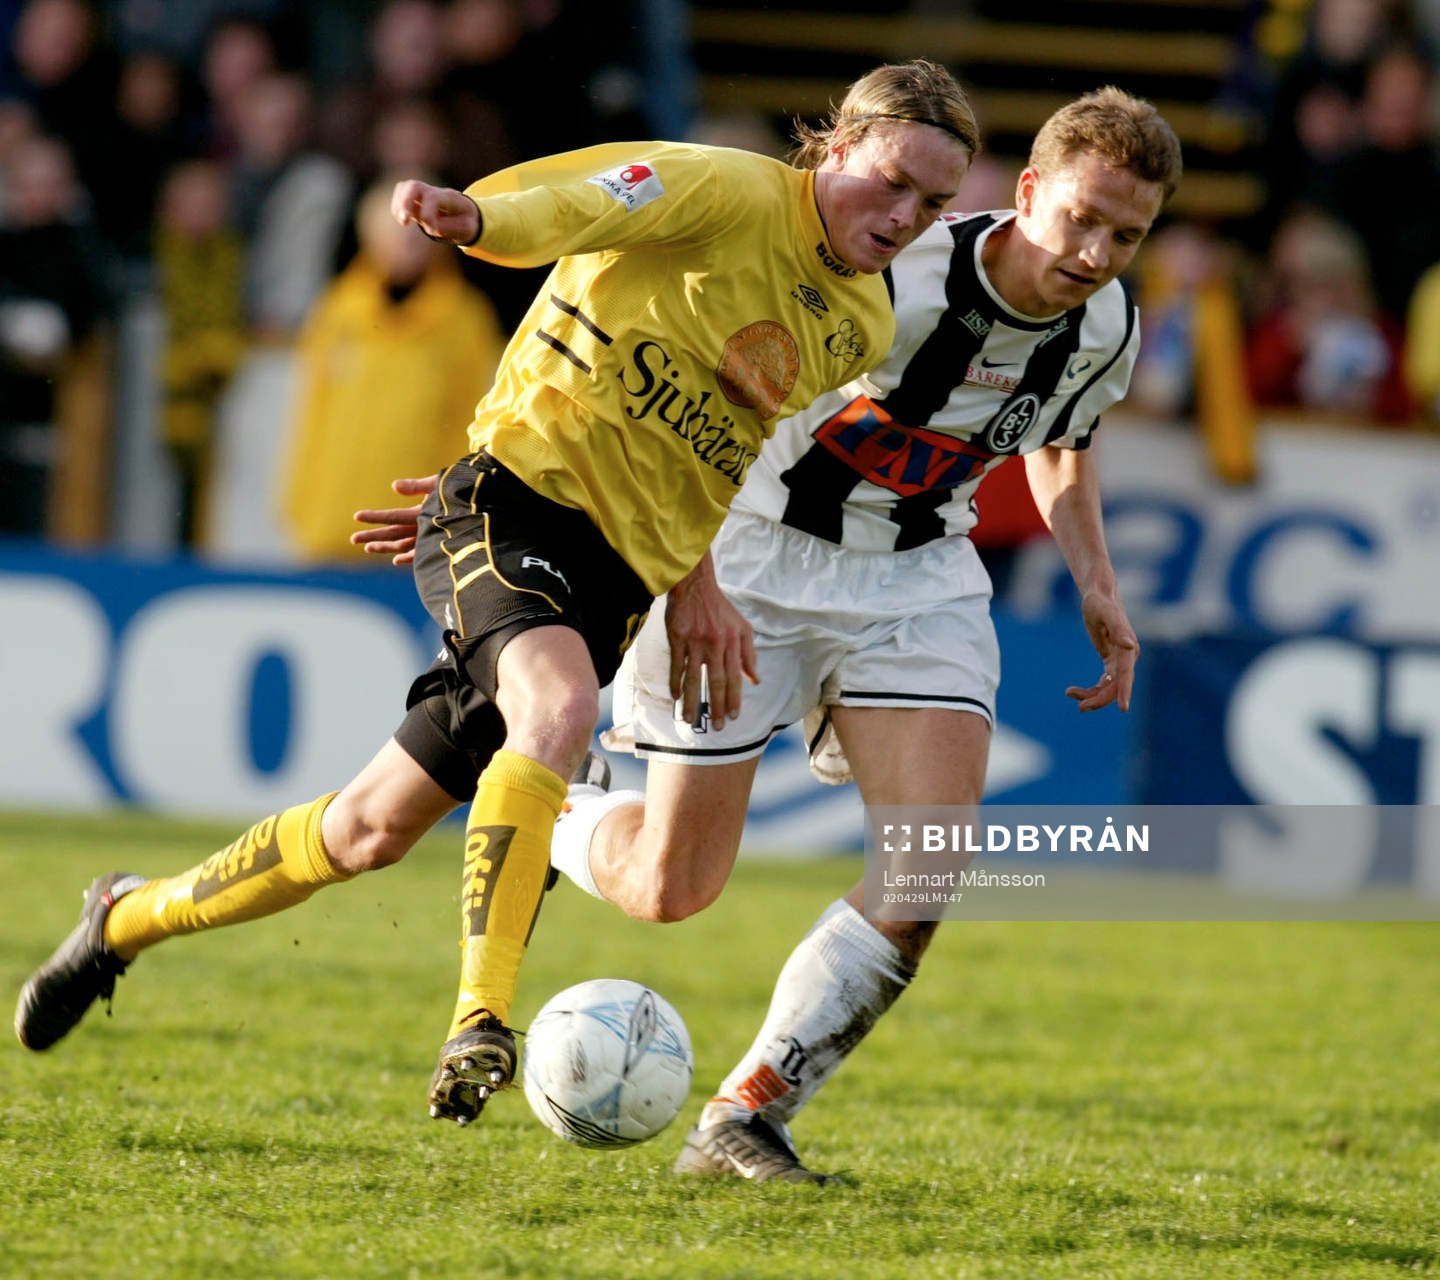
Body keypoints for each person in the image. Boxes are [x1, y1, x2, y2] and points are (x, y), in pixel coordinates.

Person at [13, 60, 979, 1129]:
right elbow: (583, 198)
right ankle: (480, 1017)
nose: (904, 216)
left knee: (369, 829)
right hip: (513, 505)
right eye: (890, 181)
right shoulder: (727, 190)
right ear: (835, 147)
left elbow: (716, 444)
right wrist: (477, 218)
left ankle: (121, 917)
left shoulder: (856, 321)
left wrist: (697, 581)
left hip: (616, 577)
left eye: (932, 204)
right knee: (558, 709)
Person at [353, 86, 1183, 1181]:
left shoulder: (1110, 322)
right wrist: (518, 491)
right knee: (668, 888)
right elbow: (685, 397)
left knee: (930, 866)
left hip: (919, 580)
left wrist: (1099, 585)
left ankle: (749, 1111)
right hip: (748, 558)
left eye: (1126, 233)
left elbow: (1064, 438)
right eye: (1080, 217)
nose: (1096, 251)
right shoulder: (894, 269)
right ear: (1029, 191)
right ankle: (552, 796)